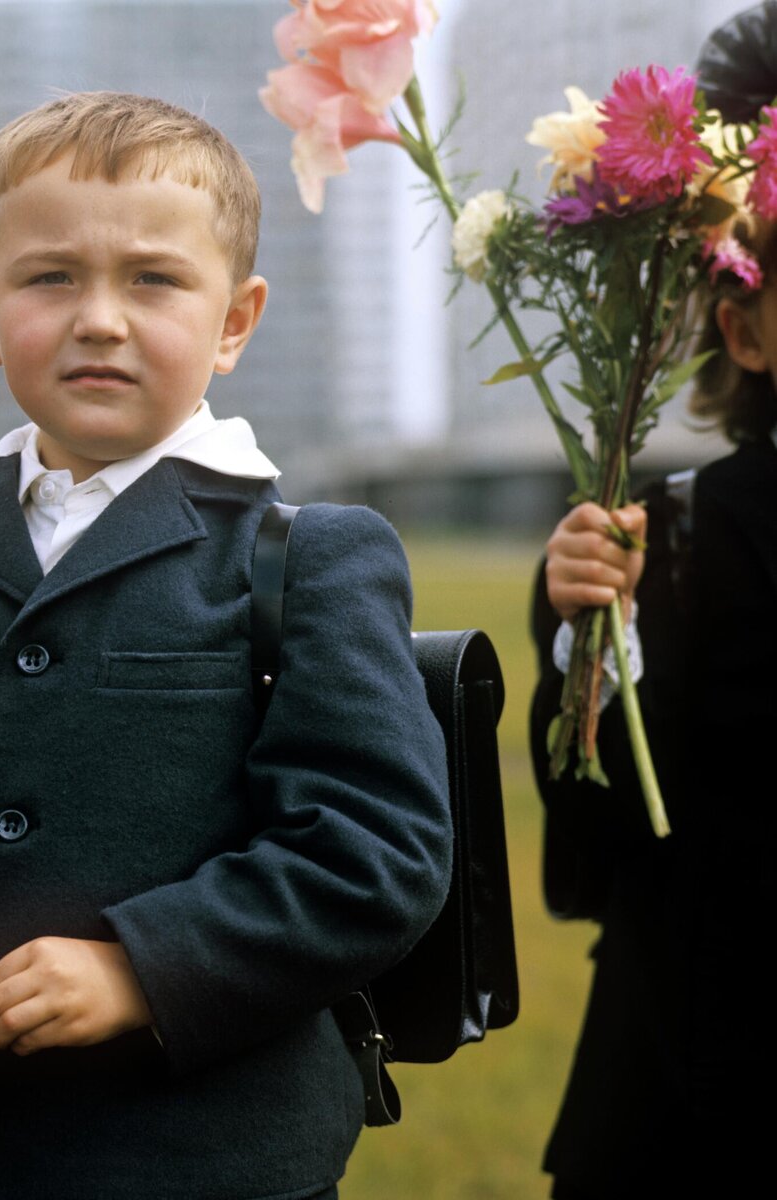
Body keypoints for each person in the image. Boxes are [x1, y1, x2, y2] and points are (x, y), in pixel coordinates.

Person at [0, 91, 452, 1200]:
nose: (100, 318)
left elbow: (376, 855)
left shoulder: (309, 559)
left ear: (237, 319)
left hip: (210, 1160)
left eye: (154, 279)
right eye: (50, 277)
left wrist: (140, 971)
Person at [530, 7, 777, 1195]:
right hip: (686, 1097)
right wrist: (588, 632)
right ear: (741, 325)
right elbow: (598, 844)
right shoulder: (654, 541)